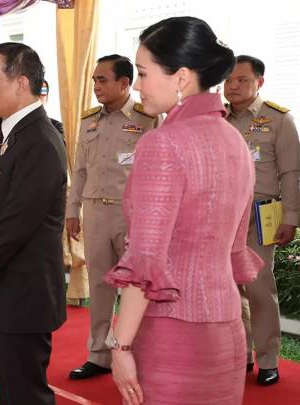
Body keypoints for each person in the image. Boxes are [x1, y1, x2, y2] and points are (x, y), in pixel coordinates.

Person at [105, 17, 263, 405]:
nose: (138, 85)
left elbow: (146, 261)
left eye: (143, 73)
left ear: (181, 77)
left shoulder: (163, 144)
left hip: (171, 335)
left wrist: (120, 346)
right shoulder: (235, 141)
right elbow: (233, 247)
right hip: (226, 331)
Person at [0, 42, 67, 405]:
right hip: (8, 289)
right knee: (13, 391)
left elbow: (18, 222)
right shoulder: (10, 132)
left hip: (24, 292)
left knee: (25, 395)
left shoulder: (39, 140)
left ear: (21, 83)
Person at [67, 54, 159, 380]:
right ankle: (98, 356)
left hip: (131, 215)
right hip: (94, 213)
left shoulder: (150, 118)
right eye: (94, 80)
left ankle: (140, 357)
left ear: (124, 82)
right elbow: (78, 171)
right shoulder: (88, 120)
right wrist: (72, 211)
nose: (96, 87)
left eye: (102, 80)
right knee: (101, 286)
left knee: (139, 288)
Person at [224, 55, 300, 386]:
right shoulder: (217, 118)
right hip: (222, 216)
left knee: (258, 288)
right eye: (228, 80)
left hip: (259, 216)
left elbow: (291, 173)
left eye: (242, 80)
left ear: (260, 82)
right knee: (228, 289)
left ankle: (268, 359)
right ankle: (241, 355)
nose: (233, 86)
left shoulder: (278, 119)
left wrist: (292, 217)